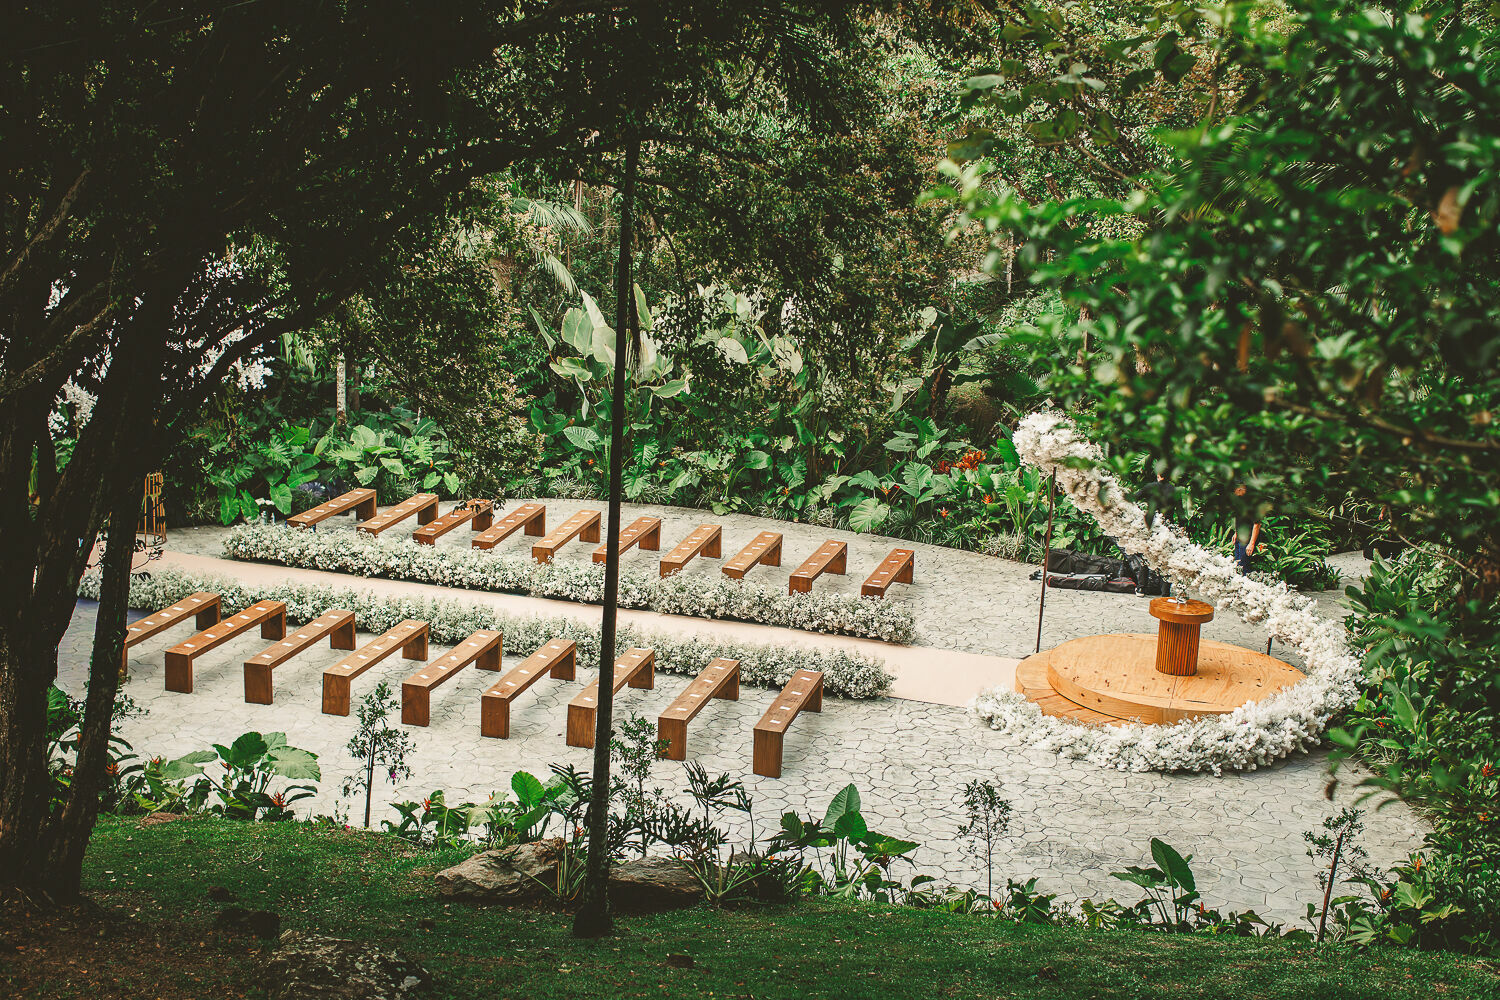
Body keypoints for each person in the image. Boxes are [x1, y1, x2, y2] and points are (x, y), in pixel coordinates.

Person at [1233, 484, 1262, 575]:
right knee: (1237, 565)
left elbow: (1257, 524)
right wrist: (1236, 533)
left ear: (1241, 489)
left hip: (1247, 540)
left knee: (1243, 568)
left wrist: (1251, 543)